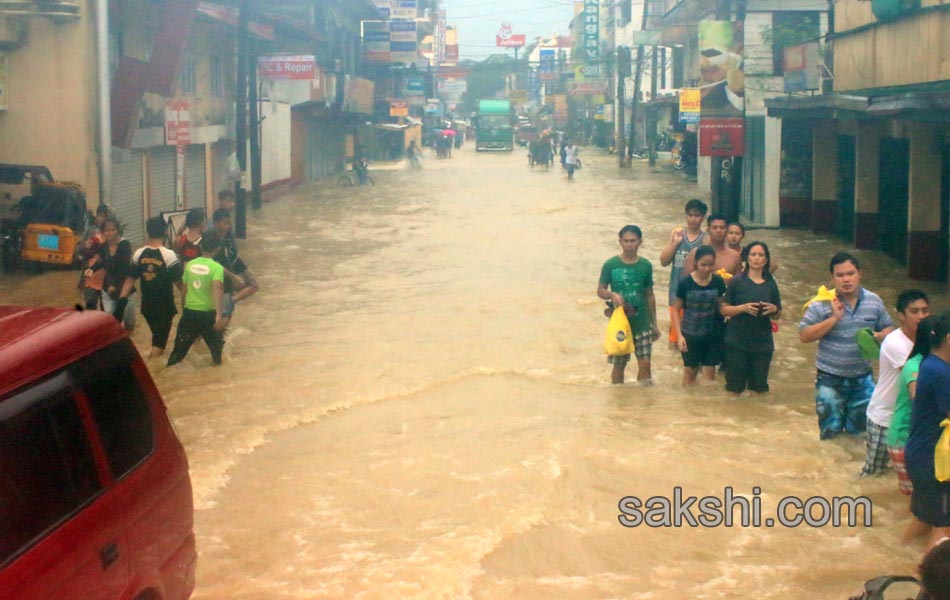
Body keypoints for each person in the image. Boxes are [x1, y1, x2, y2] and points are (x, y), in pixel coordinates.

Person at [799, 253, 894, 439]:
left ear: (860, 274)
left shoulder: (874, 301)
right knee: (830, 433)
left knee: (861, 435)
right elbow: (804, 336)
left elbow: (889, 328)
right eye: (840, 275)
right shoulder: (822, 303)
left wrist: (881, 335)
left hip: (863, 379)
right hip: (829, 379)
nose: (846, 279)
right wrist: (834, 318)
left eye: (850, 273)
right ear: (832, 278)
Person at [861, 290, 930, 477]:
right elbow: (919, 382)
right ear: (901, 316)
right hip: (884, 419)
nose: (921, 316)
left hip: (908, 419)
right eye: (914, 312)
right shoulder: (895, 343)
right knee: (873, 474)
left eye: (925, 311)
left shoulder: (927, 340)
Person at [905, 312, 950, 559]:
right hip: (936, 463)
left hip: (920, 456)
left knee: (924, 519)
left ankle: (895, 558)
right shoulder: (942, 374)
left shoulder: (931, 364)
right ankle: (929, 586)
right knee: (945, 527)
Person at [888, 315, 937, 543]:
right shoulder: (915, 365)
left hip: (916, 441)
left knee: (920, 506)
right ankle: (901, 547)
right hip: (905, 440)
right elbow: (919, 397)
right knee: (923, 510)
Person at [597, 225, 660, 384]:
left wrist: (654, 324)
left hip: (642, 322)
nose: (629, 244)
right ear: (620, 242)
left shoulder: (646, 265)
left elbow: (650, 295)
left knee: (645, 365)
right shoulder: (610, 265)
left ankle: (644, 401)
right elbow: (600, 290)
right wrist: (612, 294)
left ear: (640, 242)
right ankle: (619, 401)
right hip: (620, 323)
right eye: (626, 241)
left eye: (633, 241)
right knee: (619, 365)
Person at [116, 216, 185, 359]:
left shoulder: (139, 253)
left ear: (148, 231)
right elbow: (180, 284)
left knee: (158, 339)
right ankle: (152, 372)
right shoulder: (169, 255)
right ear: (165, 231)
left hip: (147, 308)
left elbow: (130, 280)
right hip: (164, 308)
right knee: (159, 345)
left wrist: (121, 301)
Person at [719, 242, 781, 394]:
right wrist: (742, 308)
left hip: (762, 343)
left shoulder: (771, 284)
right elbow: (724, 309)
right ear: (747, 258)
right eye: (753, 254)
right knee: (734, 390)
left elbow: (778, 315)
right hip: (736, 342)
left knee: (759, 390)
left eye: (761, 255)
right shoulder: (737, 281)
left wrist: (774, 309)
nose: (757, 258)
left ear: (766, 260)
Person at [166, 231, 226, 367]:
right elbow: (218, 290)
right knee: (217, 355)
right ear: (217, 249)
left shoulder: (190, 265)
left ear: (201, 247)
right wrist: (218, 315)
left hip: (190, 313)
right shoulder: (216, 268)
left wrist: (184, 309)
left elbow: (184, 291)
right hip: (208, 315)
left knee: (177, 354)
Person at [671, 245, 727, 386]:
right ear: (695, 263)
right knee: (690, 373)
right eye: (703, 265)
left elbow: (722, 307)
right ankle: (688, 405)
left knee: (710, 375)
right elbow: (675, 309)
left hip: (712, 333)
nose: (707, 269)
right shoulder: (685, 283)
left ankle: (706, 406)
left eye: (710, 265)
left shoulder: (718, 282)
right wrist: (679, 336)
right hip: (689, 333)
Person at [660, 199, 709, 346]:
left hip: (696, 294)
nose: (693, 219)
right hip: (676, 291)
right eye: (690, 215)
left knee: (693, 335)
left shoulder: (706, 239)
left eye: (697, 215)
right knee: (675, 337)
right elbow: (663, 261)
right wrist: (675, 244)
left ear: (703, 217)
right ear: (686, 215)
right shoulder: (677, 233)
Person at [85, 216, 135, 332]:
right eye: (107, 230)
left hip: (125, 289)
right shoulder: (103, 247)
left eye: (113, 230)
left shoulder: (125, 245)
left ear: (118, 230)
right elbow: (100, 261)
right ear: (103, 232)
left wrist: (115, 285)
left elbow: (124, 267)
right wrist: (91, 269)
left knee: (129, 322)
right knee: (111, 320)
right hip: (107, 289)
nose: (110, 233)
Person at [211, 208, 258, 327]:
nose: (228, 226)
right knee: (224, 314)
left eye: (229, 223)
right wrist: (233, 277)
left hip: (234, 263)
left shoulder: (228, 234)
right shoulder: (213, 239)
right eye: (225, 223)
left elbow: (233, 249)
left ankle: (230, 302)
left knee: (254, 285)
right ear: (216, 223)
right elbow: (214, 263)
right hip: (224, 274)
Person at [77, 204, 110, 310]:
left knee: (106, 308)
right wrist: (84, 246)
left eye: (104, 216)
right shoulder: (90, 231)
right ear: (96, 216)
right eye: (99, 216)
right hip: (90, 275)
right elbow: (78, 250)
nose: (101, 219)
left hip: (107, 276)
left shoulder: (111, 233)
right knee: (90, 305)